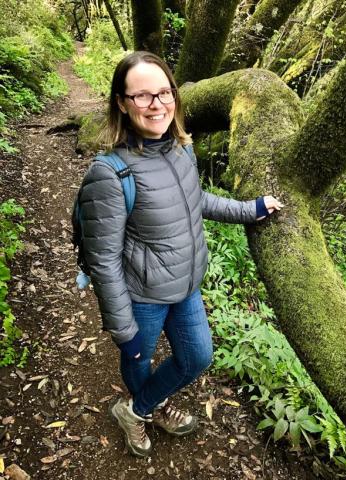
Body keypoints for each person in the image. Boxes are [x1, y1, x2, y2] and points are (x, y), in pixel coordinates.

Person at [78, 51, 284, 458]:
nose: (157, 105)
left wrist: (250, 210)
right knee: (138, 357)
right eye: (142, 96)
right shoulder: (111, 173)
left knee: (197, 357)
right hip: (142, 297)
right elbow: (103, 260)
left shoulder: (181, 149)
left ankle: (136, 409)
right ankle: (143, 405)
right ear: (121, 102)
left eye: (164, 92)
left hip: (186, 285)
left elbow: (196, 199)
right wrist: (123, 328)